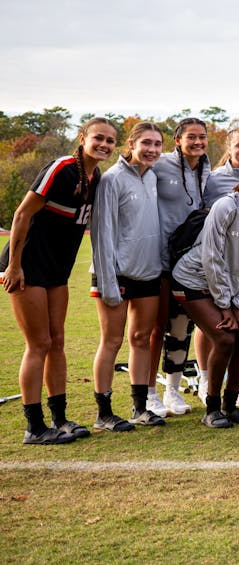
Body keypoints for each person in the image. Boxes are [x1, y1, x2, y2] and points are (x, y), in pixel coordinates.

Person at [2, 117, 115, 444]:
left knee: (57, 343)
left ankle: (60, 418)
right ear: (83, 138)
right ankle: (34, 427)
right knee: (38, 344)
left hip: (57, 272)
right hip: (28, 267)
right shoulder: (61, 168)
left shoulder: (96, 178)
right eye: (98, 138)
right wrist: (13, 266)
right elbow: (22, 214)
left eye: (110, 140)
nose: (104, 145)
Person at [171, 164, 239, 428]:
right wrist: (226, 306)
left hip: (226, 284)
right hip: (192, 278)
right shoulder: (226, 207)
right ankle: (211, 408)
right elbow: (212, 257)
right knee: (224, 337)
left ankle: (231, 407)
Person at [89, 121, 166, 432]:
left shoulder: (154, 177)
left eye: (158, 144)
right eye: (146, 143)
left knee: (141, 340)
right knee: (112, 341)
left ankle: (139, 408)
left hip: (147, 273)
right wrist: (108, 282)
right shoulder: (112, 180)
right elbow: (101, 234)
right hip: (115, 274)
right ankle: (104, 413)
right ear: (131, 145)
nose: (151, 150)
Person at [149, 117, 211, 417]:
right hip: (158, 259)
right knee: (154, 328)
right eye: (191, 137)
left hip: (188, 263)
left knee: (180, 328)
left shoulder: (207, 169)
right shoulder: (160, 165)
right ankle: (148, 393)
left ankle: (172, 391)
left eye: (202, 137)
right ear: (178, 140)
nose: (197, 142)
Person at [201, 126, 239, 407]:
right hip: (214, 265)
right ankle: (205, 379)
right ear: (230, 147)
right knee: (212, 326)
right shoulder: (213, 180)